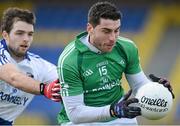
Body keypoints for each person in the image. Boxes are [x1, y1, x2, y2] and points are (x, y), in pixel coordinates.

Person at [57, 1, 175, 125]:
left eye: (116, 30)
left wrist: (156, 90)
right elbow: (76, 113)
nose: (113, 38)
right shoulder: (70, 60)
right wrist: (112, 111)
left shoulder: (127, 48)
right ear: (90, 29)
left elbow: (139, 85)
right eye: (106, 31)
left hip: (118, 117)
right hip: (82, 121)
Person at [0, 7, 61, 125]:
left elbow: (69, 80)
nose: (26, 39)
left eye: (30, 34)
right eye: (19, 33)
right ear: (5, 35)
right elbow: (14, 77)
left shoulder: (38, 65)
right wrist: (45, 88)